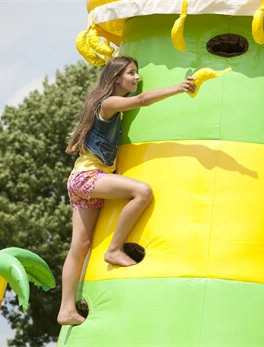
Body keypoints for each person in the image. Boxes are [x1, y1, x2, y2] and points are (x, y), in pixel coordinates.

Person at [57, 56, 196, 326]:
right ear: (116, 77)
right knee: (142, 192)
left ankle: (66, 309)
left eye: (137, 73)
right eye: (131, 73)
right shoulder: (108, 103)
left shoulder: (108, 106)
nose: (137, 78)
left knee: (80, 246)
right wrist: (178, 87)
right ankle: (114, 248)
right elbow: (142, 100)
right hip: (89, 177)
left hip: (79, 180)